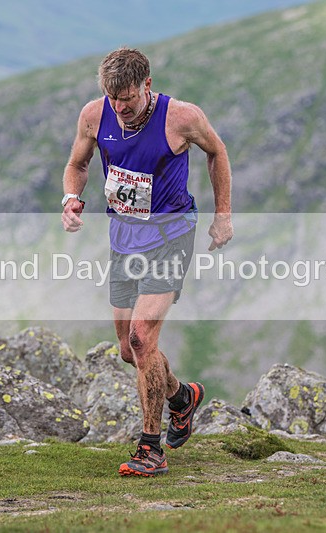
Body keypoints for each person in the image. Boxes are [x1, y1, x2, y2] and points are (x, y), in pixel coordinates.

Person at [61, 47, 234, 476]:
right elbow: (77, 164)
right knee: (128, 351)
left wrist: (223, 216)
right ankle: (181, 397)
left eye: (129, 99)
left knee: (141, 338)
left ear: (147, 85)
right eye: (113, 98)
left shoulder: (181, 117)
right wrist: (71, 198)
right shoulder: (93, 115)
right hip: (123, 236)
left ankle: (150, 447)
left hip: (170, 236)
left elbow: (218, 152)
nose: (120, 108)